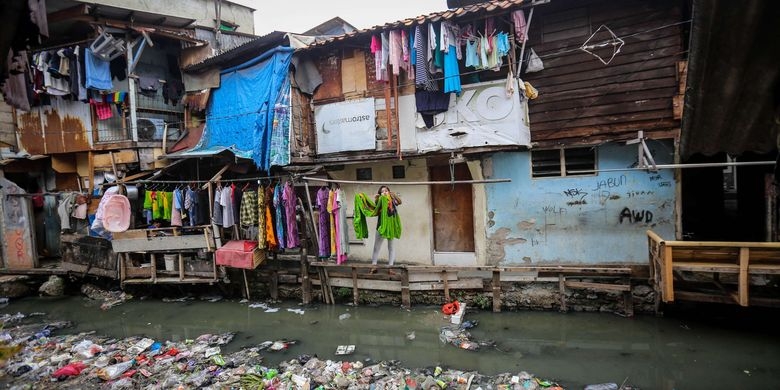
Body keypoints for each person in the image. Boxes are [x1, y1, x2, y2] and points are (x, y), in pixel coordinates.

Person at [370, 185, 402, 272]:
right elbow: (375, 208)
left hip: (390, 227)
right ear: (380, 194)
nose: (384, 192)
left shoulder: (393, 201)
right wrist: (377, 199)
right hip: (381, 227)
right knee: (376, 247)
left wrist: (394, 195)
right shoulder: (379, 201)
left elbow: (400, 202)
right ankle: (373, 267)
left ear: (389, 192)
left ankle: (390, 268)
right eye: (382, 191)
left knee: (391, 247)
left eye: (386, 191)